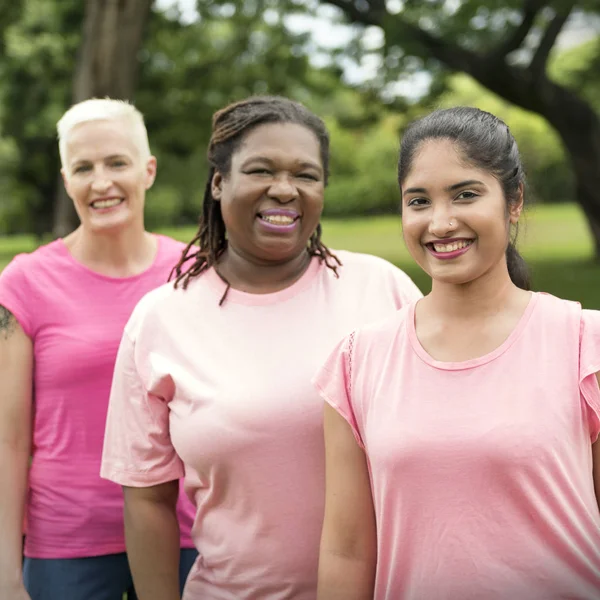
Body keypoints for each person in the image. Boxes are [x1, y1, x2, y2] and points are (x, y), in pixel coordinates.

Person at [99, 95, 423, 599]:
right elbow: (146, 499)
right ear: (218, 182)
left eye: (306, 175)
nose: (284, 189)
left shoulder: (383, 290)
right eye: (260, 170)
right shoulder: (162, 319)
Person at [314, 106, 600, 600]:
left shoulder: (584, 343)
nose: (440, 222)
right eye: (419, 201)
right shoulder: (357, 361)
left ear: (514, 202)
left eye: (466, 195)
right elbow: (347, 548)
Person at [0, 98, 197, 600]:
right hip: (68, 542)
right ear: (66, 180)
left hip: (187, 533)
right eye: (83, 168)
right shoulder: (24, 282)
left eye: (116, 163)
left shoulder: (194, 272)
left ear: (147, 170)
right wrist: (4, 573)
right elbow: (7, 440)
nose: (101, 182)